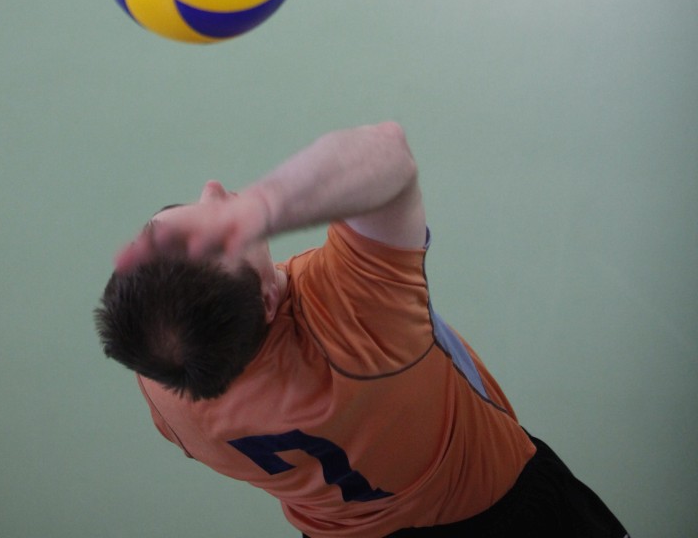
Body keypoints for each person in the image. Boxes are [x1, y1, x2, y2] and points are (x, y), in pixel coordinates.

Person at [95, 121, 630, 537]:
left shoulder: (167, 382)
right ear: (267, 301)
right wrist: (260, 207)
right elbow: (387, 151)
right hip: (507, 517)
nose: (212, 189)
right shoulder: (357, 321)